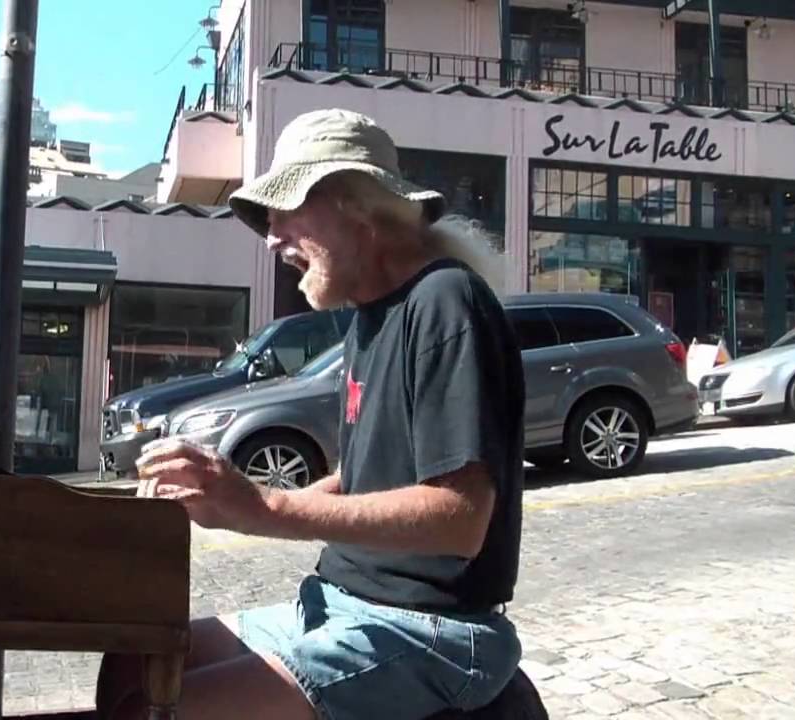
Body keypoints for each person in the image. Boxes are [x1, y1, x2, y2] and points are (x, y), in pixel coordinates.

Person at [96, 109, 526, 720]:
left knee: (161, 708)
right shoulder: (370, 318)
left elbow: (460, 520)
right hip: (340, 601)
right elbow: (362, 479)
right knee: (131, 659)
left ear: (356, 205)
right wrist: (229, 498)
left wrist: (265, 508)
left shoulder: (445, 300)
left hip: (431, 632)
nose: (271, 238)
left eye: (283, 211)